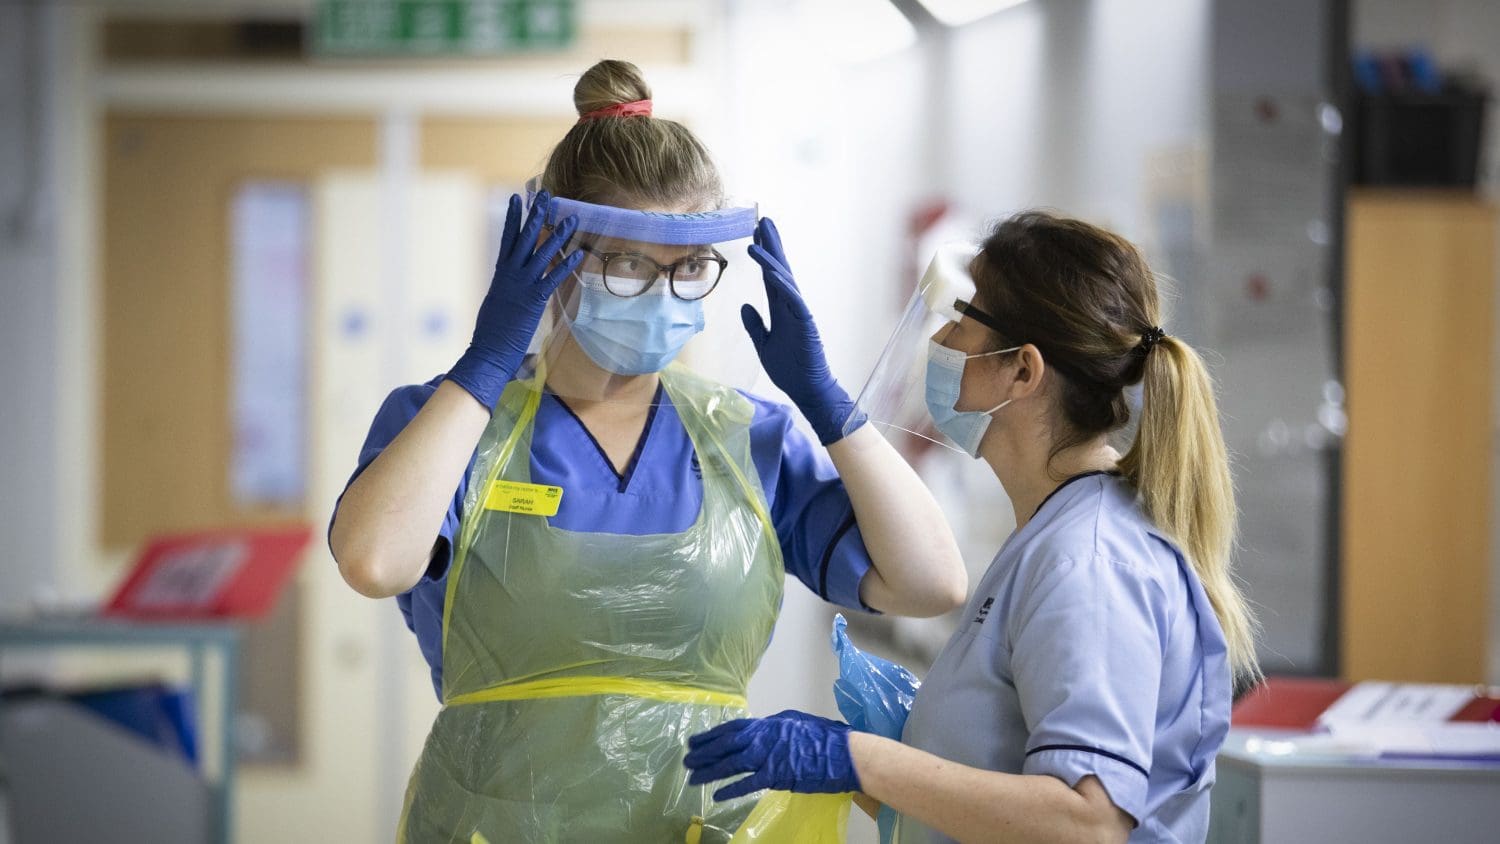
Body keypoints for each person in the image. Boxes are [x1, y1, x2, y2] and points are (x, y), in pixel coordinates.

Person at [327, 59, 967, 842]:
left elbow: (931, 581)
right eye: (629, 263)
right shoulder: (448, 426)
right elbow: (373, 561)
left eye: (690, 268)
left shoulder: (748, 440)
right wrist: (486, 363)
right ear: (552, 258)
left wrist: (830, 406)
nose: (664, 293)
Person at [685, 211, 1258, 843]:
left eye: (961, 319)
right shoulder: (1053, 536)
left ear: (1023, 370)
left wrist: (863, 760)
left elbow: (1088, 822)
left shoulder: (1088, 561)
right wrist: (869, 772)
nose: (942, 341)